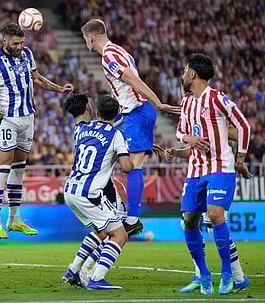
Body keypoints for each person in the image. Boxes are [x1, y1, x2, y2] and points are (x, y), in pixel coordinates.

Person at [80, 19, 180, 236]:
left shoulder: (109, 55)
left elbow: (132, 80)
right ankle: (115, 210)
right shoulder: (120, 51)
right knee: (108, 152)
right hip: (131, 115)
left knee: (132, 165)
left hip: (137, 111)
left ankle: (132, 219)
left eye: (85, 39)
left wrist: (157, 102)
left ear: (90, 38)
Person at [0, 23, 73, 239]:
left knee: (19, 170)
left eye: (22, 42)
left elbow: (37, 78)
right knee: (3, 168)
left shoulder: (27, 54)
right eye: (16, 43)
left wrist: (59, 88)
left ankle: (14, 220)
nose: (20, 46)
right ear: (4, 41)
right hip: (8, 119)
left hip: (28, 118)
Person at [175, 53, 252, 295]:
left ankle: (228, 274)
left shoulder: (218, 98)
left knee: (216, 215)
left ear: (192, 74)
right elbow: (180, 132)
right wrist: (189, 139)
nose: (183, 74)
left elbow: (244, 126)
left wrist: (240, 158)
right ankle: (204, 274)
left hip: (220, 166)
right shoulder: (187, 102)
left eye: (185, 70)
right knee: (189, 220)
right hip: (195, 170)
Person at [62, 95, 133, 290]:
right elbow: (127, 167)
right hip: (90, 193)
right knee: (120, 235)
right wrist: (126, 154)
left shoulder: (82, 129)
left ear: (97, 112)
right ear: (117, 113)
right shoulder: (116, 135)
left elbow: (81, 117)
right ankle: (96, 278)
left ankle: (73, 270)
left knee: (102, 231)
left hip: (70, 191)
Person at [164, 140, 249, 293]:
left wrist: (239, 157)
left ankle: (237, 276)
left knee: (212, 226)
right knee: (188, 222)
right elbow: (194, 149)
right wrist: (176, 152)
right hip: (197, 174)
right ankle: (200, 275)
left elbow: (237, 133)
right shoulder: (192, 121)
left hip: (219, 173)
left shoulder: (219, 119)